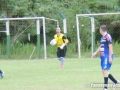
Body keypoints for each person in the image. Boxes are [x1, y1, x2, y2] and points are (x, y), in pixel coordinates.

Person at [92, 25, 119, 90]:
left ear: (101, 30)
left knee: (105, 70)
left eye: (99, 29)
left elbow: (110, 46)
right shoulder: (102, 37)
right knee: (104, 71)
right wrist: (96, 52)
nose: (99, 31)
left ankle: (105, 88)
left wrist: (110, 57)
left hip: (107, 56)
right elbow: (101, 46)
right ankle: (115, 82)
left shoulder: (107, 36)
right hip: (103, 56)